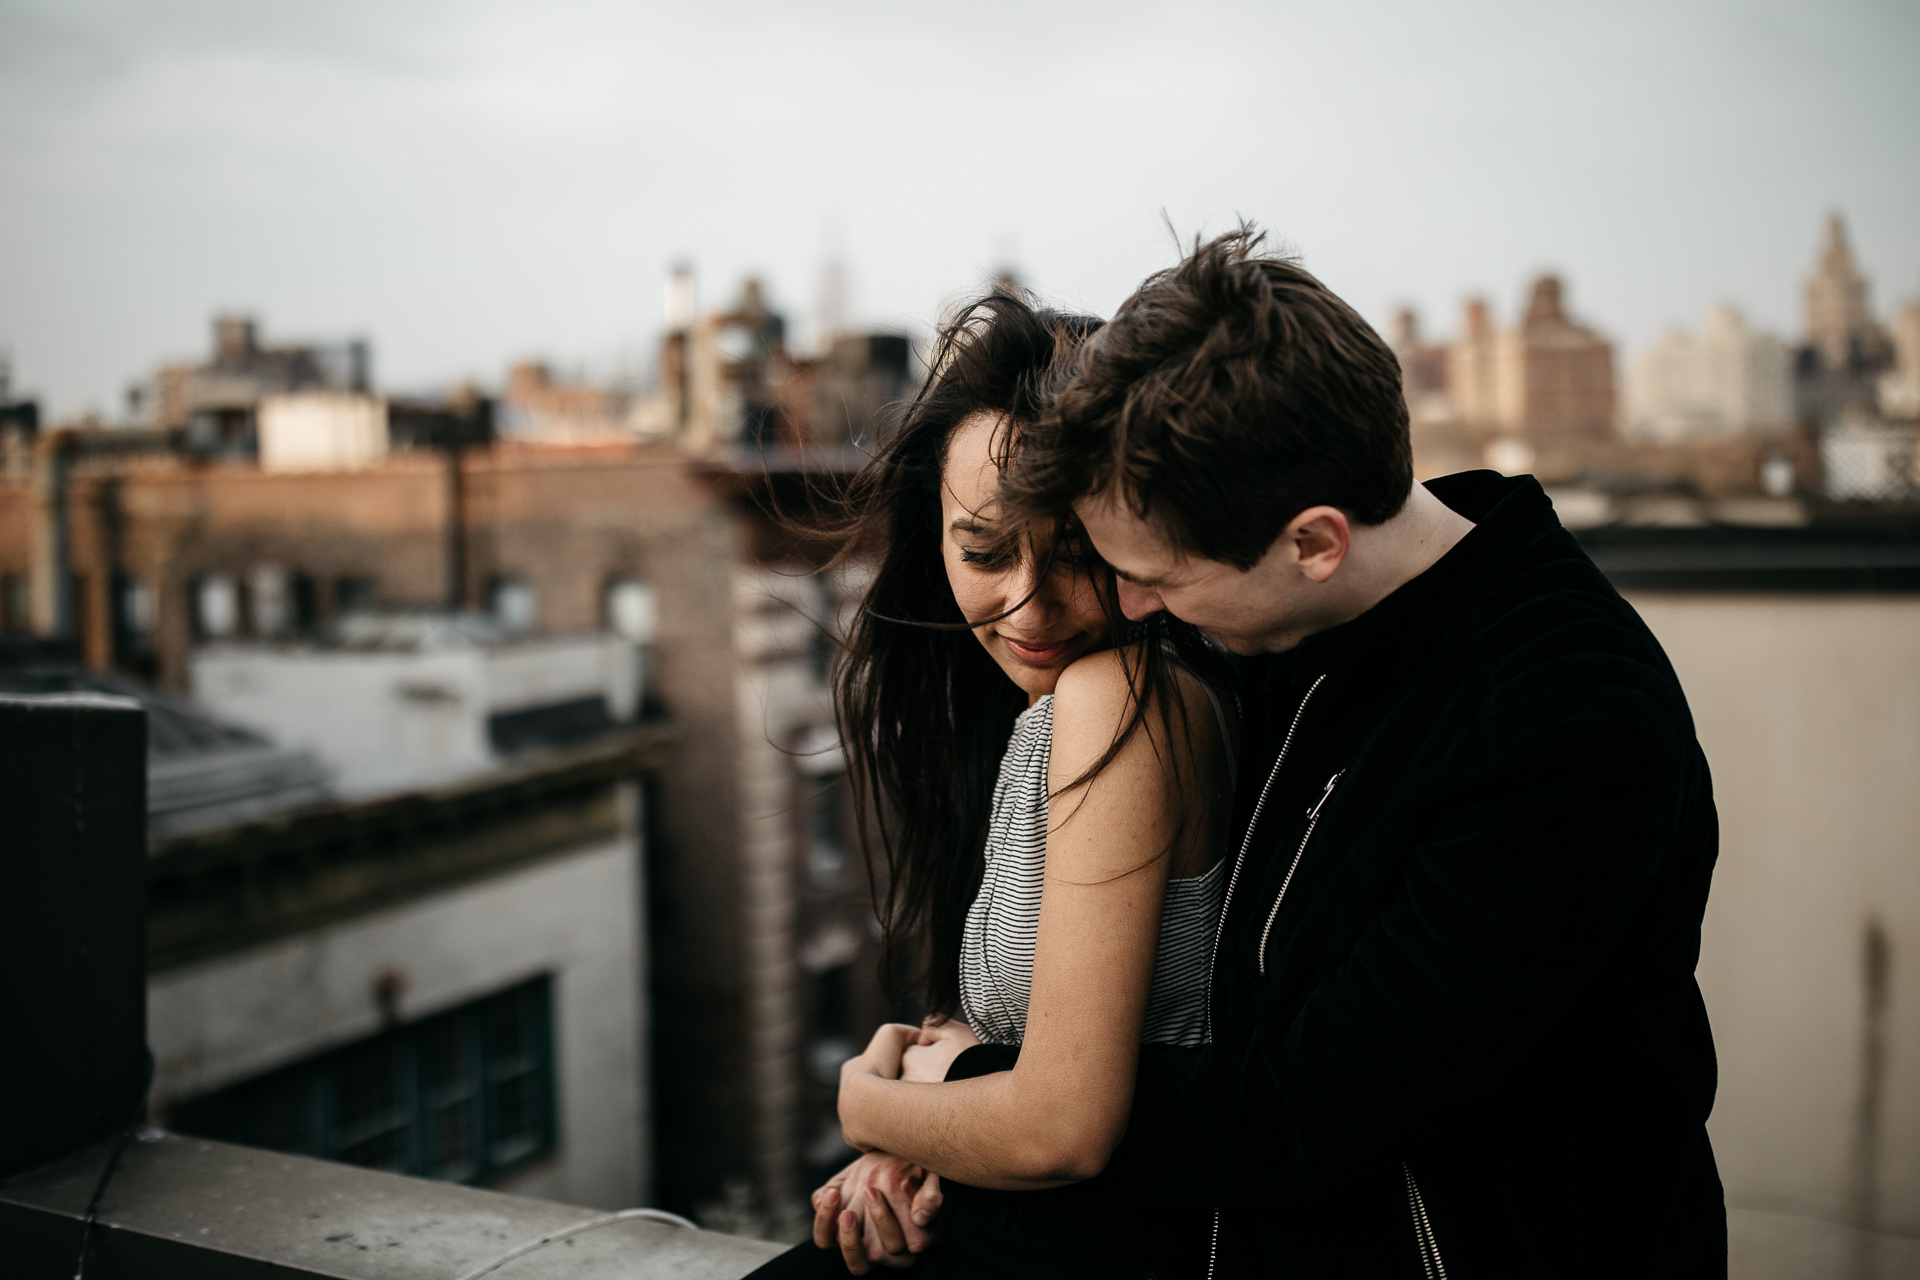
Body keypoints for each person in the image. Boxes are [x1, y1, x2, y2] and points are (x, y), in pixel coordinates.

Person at [837, 229, 1726, 1277]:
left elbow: (1299, 1111)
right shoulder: (1287, 613)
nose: (1132, 607)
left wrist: (931, 1095)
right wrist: (950, 1133)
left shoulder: (1565, 728)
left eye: (1156, 575)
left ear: (1314, 541)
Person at [750, 292, 1236, 1279]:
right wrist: (926, 1127)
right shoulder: (1046, 716)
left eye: (1077, 554)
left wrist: (865, 1102)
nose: (1025, 601)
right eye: (982, 547)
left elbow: (1062, 1127)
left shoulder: (1123, 693)